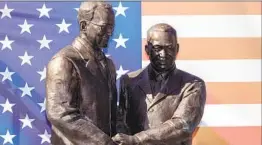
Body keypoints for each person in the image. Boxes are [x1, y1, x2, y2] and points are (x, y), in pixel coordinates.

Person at [113, 23, 206, 145]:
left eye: (169, 48)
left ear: (177, 49)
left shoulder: (193, 84)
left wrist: (137, 139)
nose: (163, 54)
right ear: (147, 50)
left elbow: (183, 125)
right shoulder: (129, 81)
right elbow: (122, 121)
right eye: (157, 48)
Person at [45, 1, 117, 145]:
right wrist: (104, 142)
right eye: (104, 27)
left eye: (111, 27)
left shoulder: (108, 65)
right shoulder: (64, 61)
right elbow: (60, 112)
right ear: (84, 26)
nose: (109, 32)